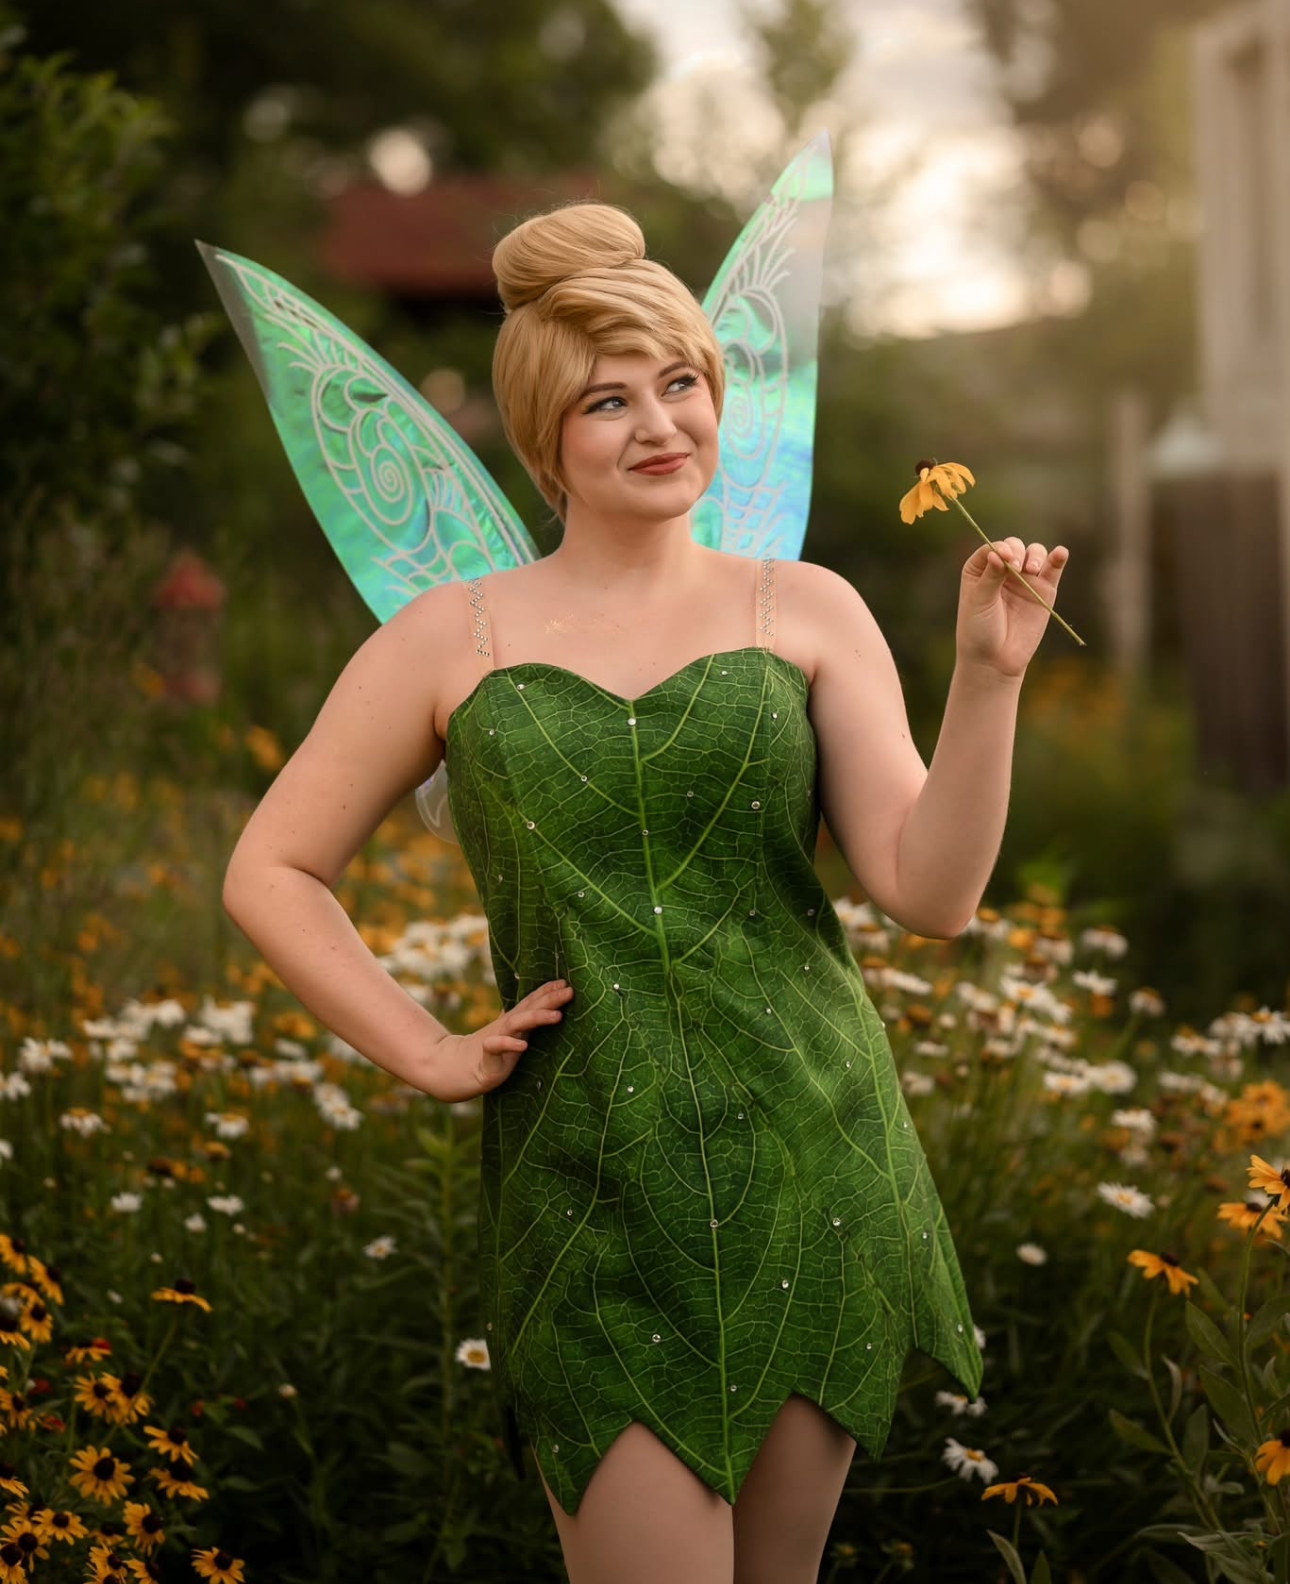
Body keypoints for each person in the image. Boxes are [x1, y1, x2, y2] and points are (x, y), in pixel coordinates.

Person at [222, 199, 1067, 1584]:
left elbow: (930, 891)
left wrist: (988, 680)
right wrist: (426, 1051)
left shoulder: (804, 608)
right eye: (608, 400)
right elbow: (270, 868)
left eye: (680, 383)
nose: (659, 423)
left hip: (813, 1153)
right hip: (588, 1180)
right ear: (544, 436)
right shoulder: (453, 636)